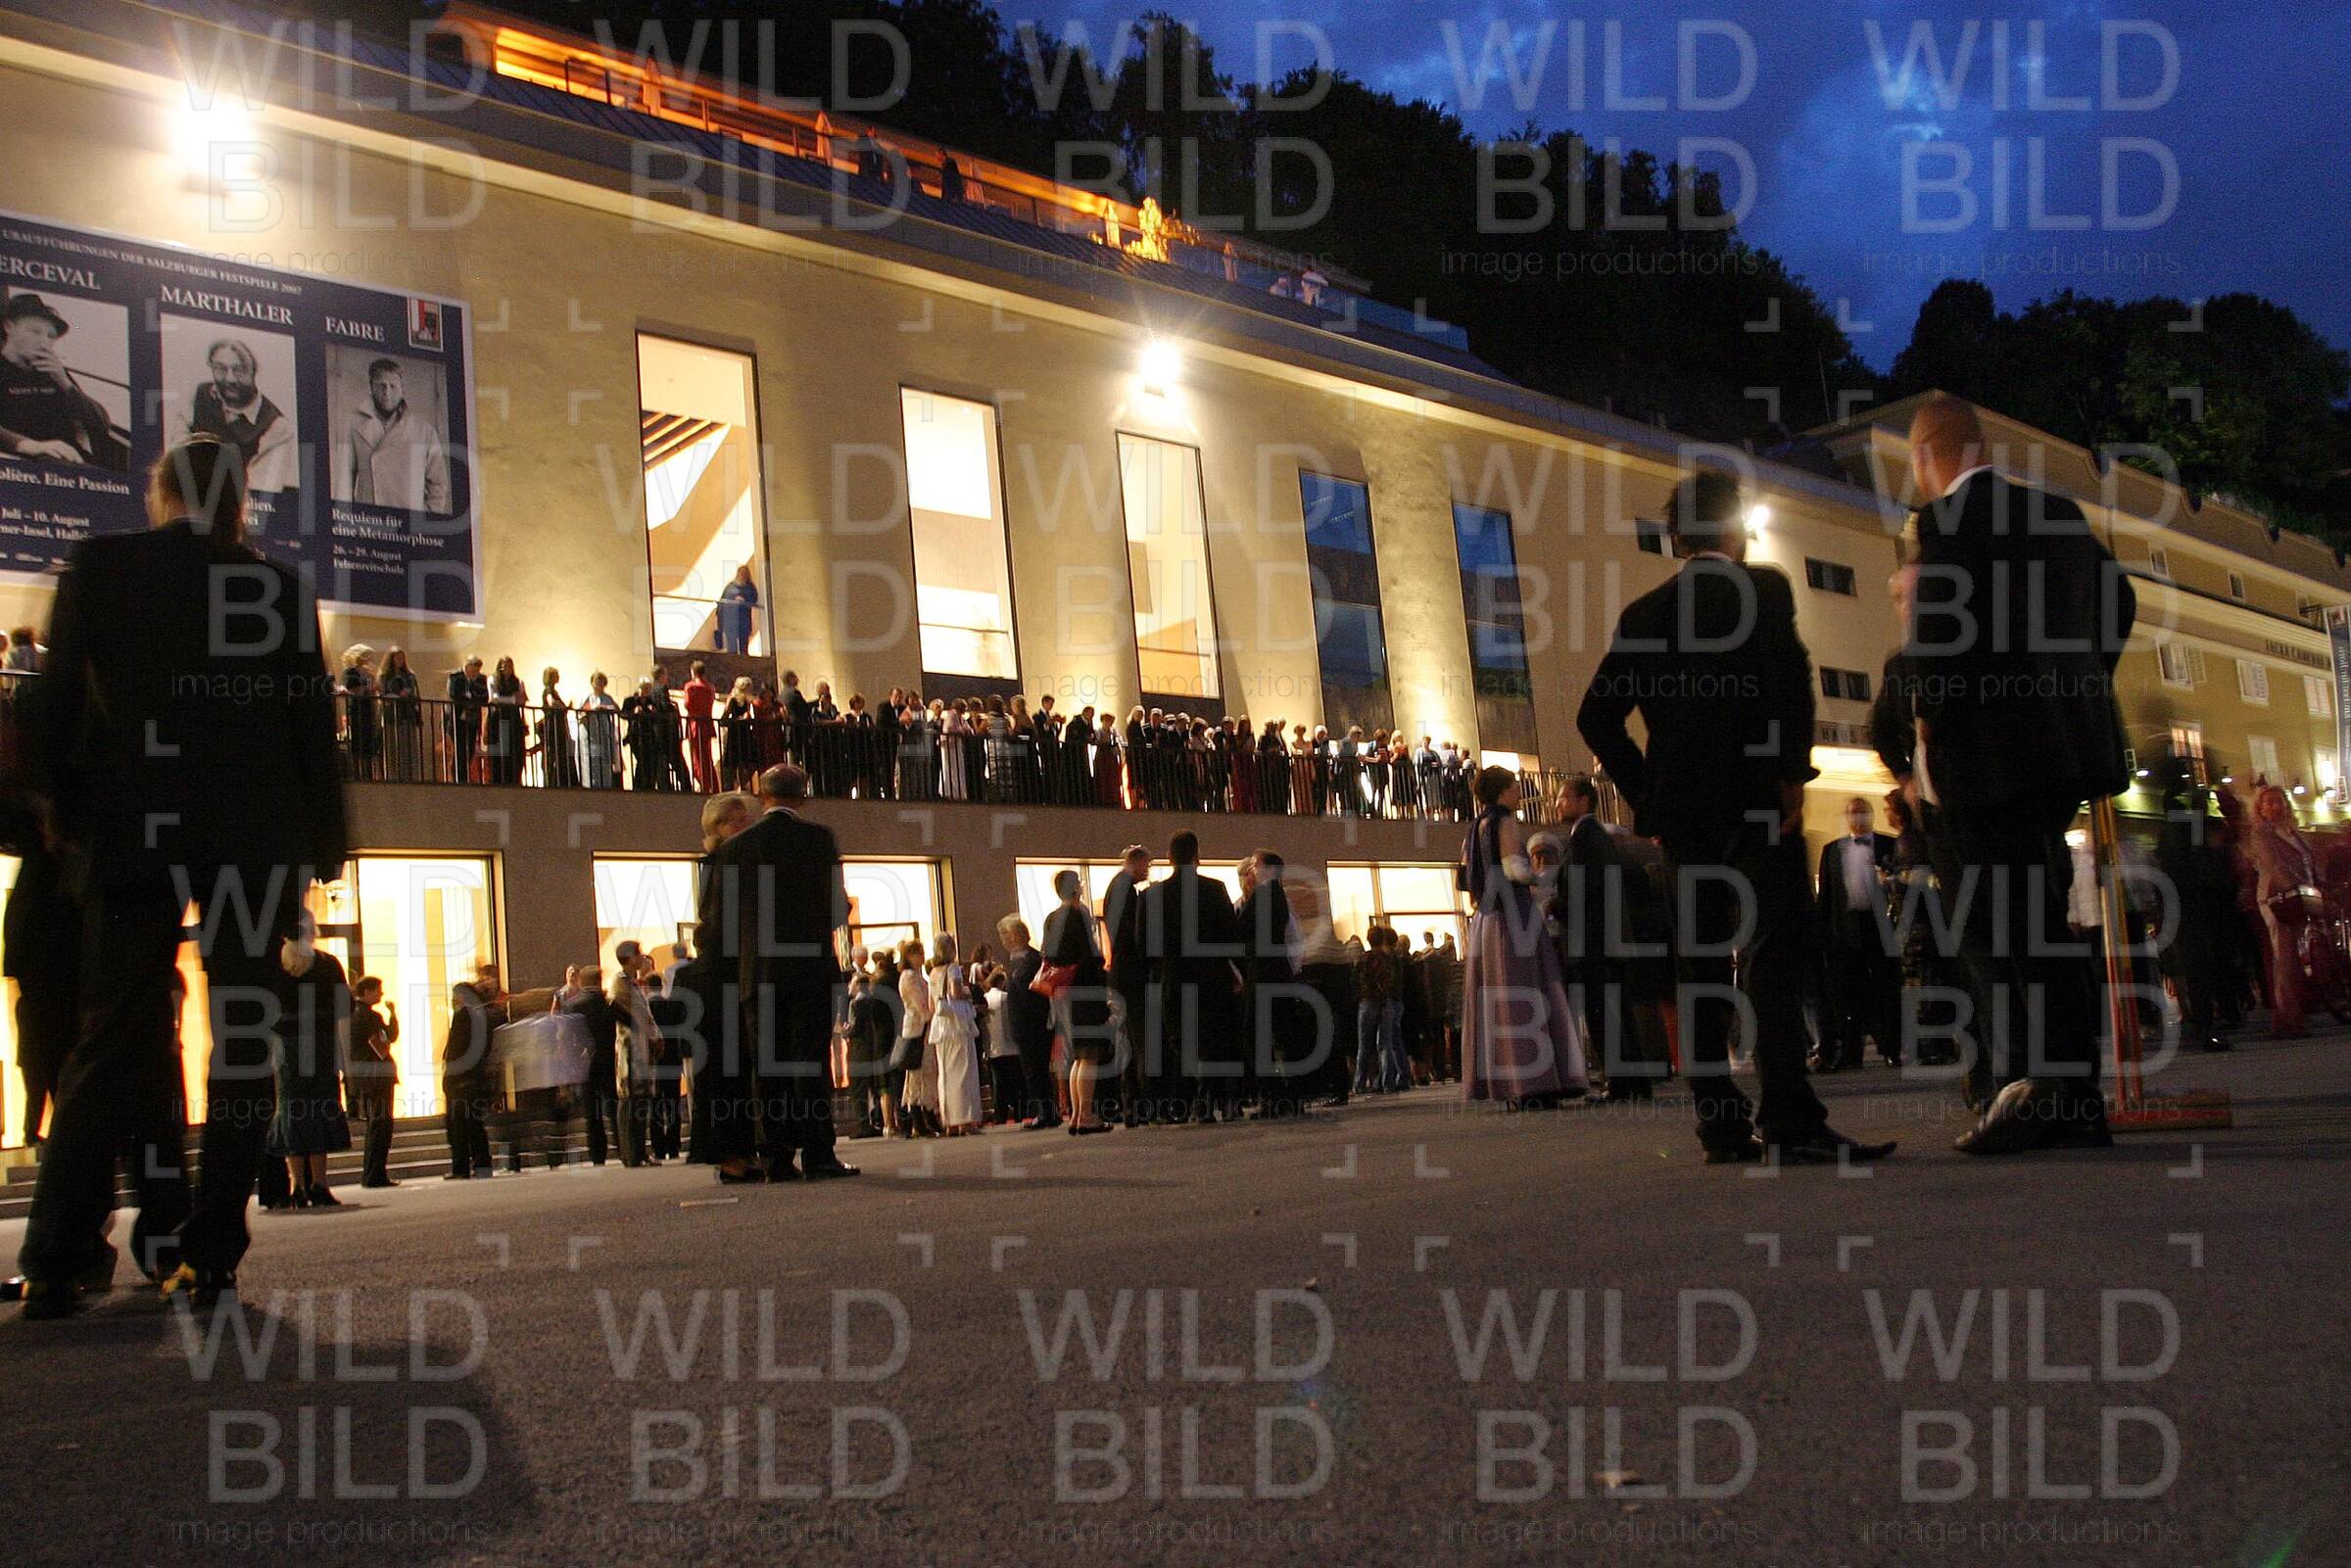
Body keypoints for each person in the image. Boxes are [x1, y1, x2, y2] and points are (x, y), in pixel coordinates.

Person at [15, 436, 347, 1318]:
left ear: (161, 494)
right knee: (241, 1041)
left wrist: (57, 807)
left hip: (137, 829)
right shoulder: (278, 589)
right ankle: (211, 1253)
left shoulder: (102, 566)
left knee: (110, 1035)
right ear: (241, 502)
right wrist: (325, 845)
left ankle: (55, 1257)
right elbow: (311, 726)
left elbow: (55, 700)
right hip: (254, 836)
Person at [1579, 470, 1888, 1165]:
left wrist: (1650, 794)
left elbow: (1596, 716)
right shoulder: (1763, 590)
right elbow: (1791, 684)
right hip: (1755, 797)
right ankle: (1789, 1114)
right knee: (1772, 950)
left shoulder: (1643, 614)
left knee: (1700, 962)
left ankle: (1719, 1122)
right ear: (1732, 528)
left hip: (1684, 813)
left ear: (1678, 537)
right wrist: (1790, 776)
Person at [1890, 397, 2134, 1155]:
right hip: (2059, 753)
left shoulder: (1948, 522)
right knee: (2045, 922)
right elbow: (2119, 601)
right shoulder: (2057, 512)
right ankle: (2074, 1096)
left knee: (2010, 933)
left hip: (1986, 754)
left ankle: (2045, 1094)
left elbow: (1941, 631)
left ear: (1925, 455)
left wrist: (1929, 719)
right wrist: (2078, 685)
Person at [706, 764, 861, 1177]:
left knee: (767, 1067)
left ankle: (776, 1156)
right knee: (811, 1063)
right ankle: (819, 1154)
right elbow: (836, 908)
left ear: (762, 796)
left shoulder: (735, 848)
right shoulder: (819, 839)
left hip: (758, 973)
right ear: (802, 798)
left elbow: (720, 920)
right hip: (810, 970)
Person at [1449, 768, 1589, 1108]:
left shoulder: (1474, 827)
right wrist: (1540, 878)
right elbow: (1515, 869)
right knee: (1526, 992)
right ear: (1503, 791)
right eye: (1514, 787)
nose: (1518, 793)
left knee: (1496, 999)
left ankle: (1507, 1084)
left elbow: (1464, 878)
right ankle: (1536, 1082)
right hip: (1514, 915)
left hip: (1486, 920)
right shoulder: (1505, 821)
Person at [1552, 776, 1655, 1101]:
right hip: (1604, 940)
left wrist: (1555, 905)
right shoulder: (1595, 837)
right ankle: (1634, 1081)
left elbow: (1585, 888)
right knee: (1617, 1011)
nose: (1557, 804)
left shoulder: (1586, 838)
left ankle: (1621, 1081)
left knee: (1602, 1013)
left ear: (1584, 800)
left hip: (1592, 942)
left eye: (1563, 798)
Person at [1137, 831, 1245, 1121]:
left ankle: (1197, 1096)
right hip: (1212, 977)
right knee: (1213, 1039)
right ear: (1197, 856)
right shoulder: (1215, 889)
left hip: (1173, 977)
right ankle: (1209, 1096)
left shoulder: (1151, 896)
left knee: (1182, 1040)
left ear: (1169, 858)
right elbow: (1231, 935)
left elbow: (1143, 944)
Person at [1816, 796, 1900, 1070]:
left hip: (1881, 930)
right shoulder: (1832, 850)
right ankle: (1851, 1054)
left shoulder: (1889, 845)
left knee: (1886, 990)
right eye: (1853, 812)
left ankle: (1891, 1049)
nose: (1858, 817)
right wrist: (1825, 937)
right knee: (1847, 995)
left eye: (1863, 811)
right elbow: (1827, 898)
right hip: (1845, 932)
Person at [0, 293, 125, 468]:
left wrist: (65, 383)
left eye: (51, 336)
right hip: (24, 464)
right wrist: (29, 445)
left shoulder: (54, 373)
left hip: (71, 462)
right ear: (9, 327)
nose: (44, 342)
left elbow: (101, 424)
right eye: (35, 331)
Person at [168, 337, 295, 492]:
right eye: (220, 369)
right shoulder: (199, 394)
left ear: (254, 371)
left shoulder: (277, 427)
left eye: (239, 370)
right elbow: (177, 447)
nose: (230, 379)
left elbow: (260, 492)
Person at [1041, 870, 1115, 1134]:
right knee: (1090, 1054)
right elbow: (1090, 954)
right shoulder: (1077, 915)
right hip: (1085, 990)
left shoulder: (1051, 919)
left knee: (1077, 1057)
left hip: (1064, 992)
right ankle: (1085, 1114)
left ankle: (1076, 1114)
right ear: (1074, 888)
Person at [1236, 850, 1307, 1115]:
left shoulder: (1264, 893)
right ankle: (1292, 1095)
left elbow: (1241, 927)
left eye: (1255, 865)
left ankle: (1273, 1095)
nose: (1251, 871)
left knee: (1255, 1034)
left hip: (1262, 972)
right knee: (1284, 1033)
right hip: (1278, 970)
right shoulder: (1277, 894)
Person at [343, 356, 451, 512]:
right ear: (371, 387)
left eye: (393, 386)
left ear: (402, 390)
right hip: (370, 520)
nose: (387, 393)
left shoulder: (424, 431)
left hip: (409, 522)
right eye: (381, 386)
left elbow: (438, 483)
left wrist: (426, 515)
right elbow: (345, 480)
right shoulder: (354, 426)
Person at [1100, 844, 1154, 1123]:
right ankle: (1139, 1103)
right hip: (1130, 974)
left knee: (1127, 1040)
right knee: (1138, 1039)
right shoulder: (1126, 889)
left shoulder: (1117, 887)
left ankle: (1132, 1103)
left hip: (1121, 973)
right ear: (1136, 861)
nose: (1148, 870)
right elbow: (1133, 934)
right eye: (1147, 864)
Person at [442, 963, 503, 1180]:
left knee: (458, 1126)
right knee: (474, 1124)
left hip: (460, 1080)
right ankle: (482, 1164)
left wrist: (449, 1075)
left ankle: (460, 1167)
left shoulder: (463, 1016)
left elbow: (456, 1049)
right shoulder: (482, 1016)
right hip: (475, 1077)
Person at [999, 915, 1060, 1128]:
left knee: (1035, 1071)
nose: (1004, 941)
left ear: (1017, 936)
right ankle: (1047, 1111)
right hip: (1028, 1025)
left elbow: (1030, 993)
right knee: (1035, 1071)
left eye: (1006, 936)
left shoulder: (1031, 961)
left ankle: (1045, 1112)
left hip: (1033, 1026)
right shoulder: (1022, 961)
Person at [558, 965, 621, 1164]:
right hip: (608, 1060)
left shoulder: (572, 1006)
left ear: (581, 981)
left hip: (584, 1063)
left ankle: (597, 1153)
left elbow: (565, 1038)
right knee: (613, 1105)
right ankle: (623, 1147)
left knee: (591, 1112)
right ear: (598, 981)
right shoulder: (609, 1004)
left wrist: (570, 1060)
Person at [609, 942, 663, 1165]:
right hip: (631, 1049)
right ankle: (631, 1153)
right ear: (630, 958)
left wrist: (655, 1035)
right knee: (630, 1100)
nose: (642, 957)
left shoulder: (633, 983)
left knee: (641, 1101)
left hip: (641, 1049)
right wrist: (651, 1034)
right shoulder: (620, 982)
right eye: (638, 954)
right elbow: (633, 1014)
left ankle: (639, 1151)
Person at [927, 933, 984, 1134]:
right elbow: (956, 993)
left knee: (945, 1073)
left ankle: (949, 1120)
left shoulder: (932, 972)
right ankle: (965, 1120)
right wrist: (968, 994)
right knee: (963, 1071)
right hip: (956, 1026)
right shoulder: (953, 969)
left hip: (940, 1027)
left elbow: (931, 1005)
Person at [348, 974, 400, 1187]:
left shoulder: (351, 1015)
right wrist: (393, 1016)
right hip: (378, 1076)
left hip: (364, 1077)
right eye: (378, 990)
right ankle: (376, 1174)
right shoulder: (370, 1016)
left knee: (374, 1125)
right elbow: (386, 1039)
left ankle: (371, 1173)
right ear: (367, 991)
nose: (381, 994)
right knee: (381, 1125)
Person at [893, 937, 939, 1138]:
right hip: (917, 1030)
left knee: (926, 1073)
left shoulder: (916, 976)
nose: (922, 956)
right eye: (919, 953)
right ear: (910, 956)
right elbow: (920, 1005)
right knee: (916, 1075)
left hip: (923, 1029)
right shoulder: (909, 977)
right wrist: (932, 1013)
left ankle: (927, 1115)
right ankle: (918, 1119)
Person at [380, 646, 424, 781]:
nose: (400, 660)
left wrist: (409, 696)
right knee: (394, 748)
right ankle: (394, 776)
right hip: (393, 717)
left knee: (409, 748)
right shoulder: (386, 677)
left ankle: (411, 776)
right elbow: (383, 695)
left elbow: (416, 695)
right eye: (397, 658)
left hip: (407, 715)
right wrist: (398, 696)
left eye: (402, 658)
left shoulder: (409, 676)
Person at [341, 644, 381, 781]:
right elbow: (352, 689)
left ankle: (368, 774)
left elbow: (372, 689)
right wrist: (367, 688)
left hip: (368, 710)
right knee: (358, 741)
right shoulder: (351, 672)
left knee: (368, 742)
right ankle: (357, 774)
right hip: (357, 710)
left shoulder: (368, 673)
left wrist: (373, 688)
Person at [447, 655, 486, 783]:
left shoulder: (481, 679)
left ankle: (464, 777)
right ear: (468, 666)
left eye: (478, 671)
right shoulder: (455, 677)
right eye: (474, 670)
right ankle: (457, 779)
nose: (476, 673)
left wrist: (470, 696)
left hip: (472, 719)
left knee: (469, 751)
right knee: (459, 751)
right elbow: (454, 695)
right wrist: (470, 698)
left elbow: (484, 698)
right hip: (458, 719)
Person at [579, 671, 621, 788]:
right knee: (592, 765)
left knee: (605, 765)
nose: (599, 685)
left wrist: (605, 708)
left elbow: (617, 709)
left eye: (601, 682)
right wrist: (592, 710)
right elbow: (580, 713)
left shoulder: (608, 698)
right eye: (596, 682)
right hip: (591, 736)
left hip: (605, 735)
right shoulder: (587, 698)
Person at [684, 659, 719, 793]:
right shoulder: (710, 688)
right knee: (707, 757)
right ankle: (712, 785)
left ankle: (704, 785)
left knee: (697, 758)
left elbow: (687, 704)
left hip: (695, 724)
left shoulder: (690, 686)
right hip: (707, 724)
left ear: (693, 672)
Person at [540, 668, 578, 788]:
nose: (558, 677)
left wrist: (566, 707)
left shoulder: (553, 691)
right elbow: (551, 702)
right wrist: (563, 707)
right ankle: (552, 781)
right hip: (553, 727)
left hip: (558, 726)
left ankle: (559, 779)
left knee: (559, 753)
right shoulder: (548, 690)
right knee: (554, 753)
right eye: (556, 675)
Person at [716, 563, 760, 653]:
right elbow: (722, 602)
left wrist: (744, 600)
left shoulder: (750, 587)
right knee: (731, 648)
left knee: (743, 648)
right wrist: (720, 619)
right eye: (741, 573)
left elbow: (754, 599)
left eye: (745, 573)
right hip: (730, 620)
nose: (742, 575)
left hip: (743, 621)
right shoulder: (730, 586)